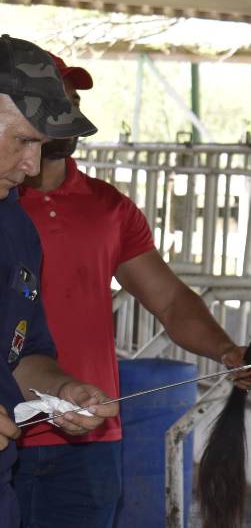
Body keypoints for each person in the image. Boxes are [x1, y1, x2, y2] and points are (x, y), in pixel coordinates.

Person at [12, 52, 251, 528]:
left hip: (87, 435)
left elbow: (168, 300)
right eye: (58, 99)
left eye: (74, 97)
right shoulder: (5, 199)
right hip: (9, 427)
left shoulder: (108, 208)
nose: (70, 107)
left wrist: (226, 349)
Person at [0, 34, 120, 526]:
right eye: (23, 140)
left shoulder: (16, 229)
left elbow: (22, 354)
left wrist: (62, 390)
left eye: (41, 146)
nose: (32, 167)